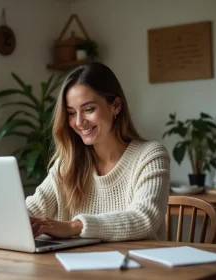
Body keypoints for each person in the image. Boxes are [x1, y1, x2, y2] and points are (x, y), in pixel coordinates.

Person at [27, 62, 170, 242]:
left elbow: (144, 218)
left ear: (116, 106)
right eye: (71, 113)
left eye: (88, 109)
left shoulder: (151, 156)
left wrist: (75, 226)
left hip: (137, 266)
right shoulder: (68, 163)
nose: (79, 122)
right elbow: (32, 209)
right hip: (77, 267)